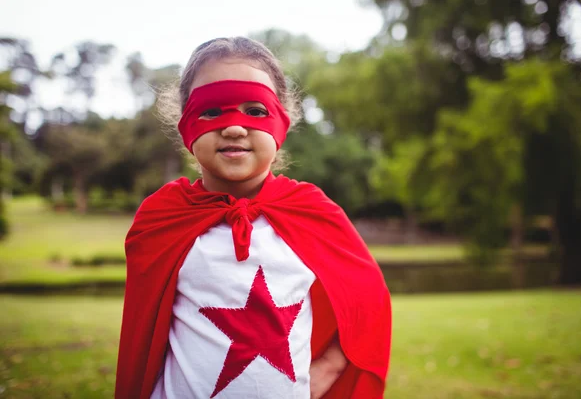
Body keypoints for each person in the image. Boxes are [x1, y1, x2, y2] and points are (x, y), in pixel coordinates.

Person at [115, 37, 391, 399]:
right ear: (186, 126)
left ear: (280, 122)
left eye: (255, 110)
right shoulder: (163, 217)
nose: (233, 127)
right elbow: (142, 334)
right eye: (212, 111)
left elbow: (369, 301)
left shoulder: (311, 210)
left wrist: (328, 368)